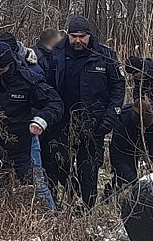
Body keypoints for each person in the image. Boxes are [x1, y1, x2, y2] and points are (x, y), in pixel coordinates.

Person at [42, 16, 125, 209]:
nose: (77, 40)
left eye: (82, 36)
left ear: (89, 35)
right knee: (59, 162)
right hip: (62, 122)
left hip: (93, 123)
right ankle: (70, 192)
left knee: (89, 168)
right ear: (68, 35)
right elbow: (46, 84)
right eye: (74, 36)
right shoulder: (56, 54)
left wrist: (110, 117)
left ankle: (87, 207)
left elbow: (118, 88)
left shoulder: (105, 56)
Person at [0, 34, 63, 208]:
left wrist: (41, 120)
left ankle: (52, 220)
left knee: (38, 185)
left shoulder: (27, 79)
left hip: (25, 142)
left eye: (0, 70)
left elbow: (55, 103)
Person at [108, 97, 153, 194]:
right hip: (128, 140)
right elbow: (118, 157)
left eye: (146, 127)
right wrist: (135, 182)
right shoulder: (122, 123)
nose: (144, 130)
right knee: (127, 175)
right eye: (142, 127)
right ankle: (113, 191)